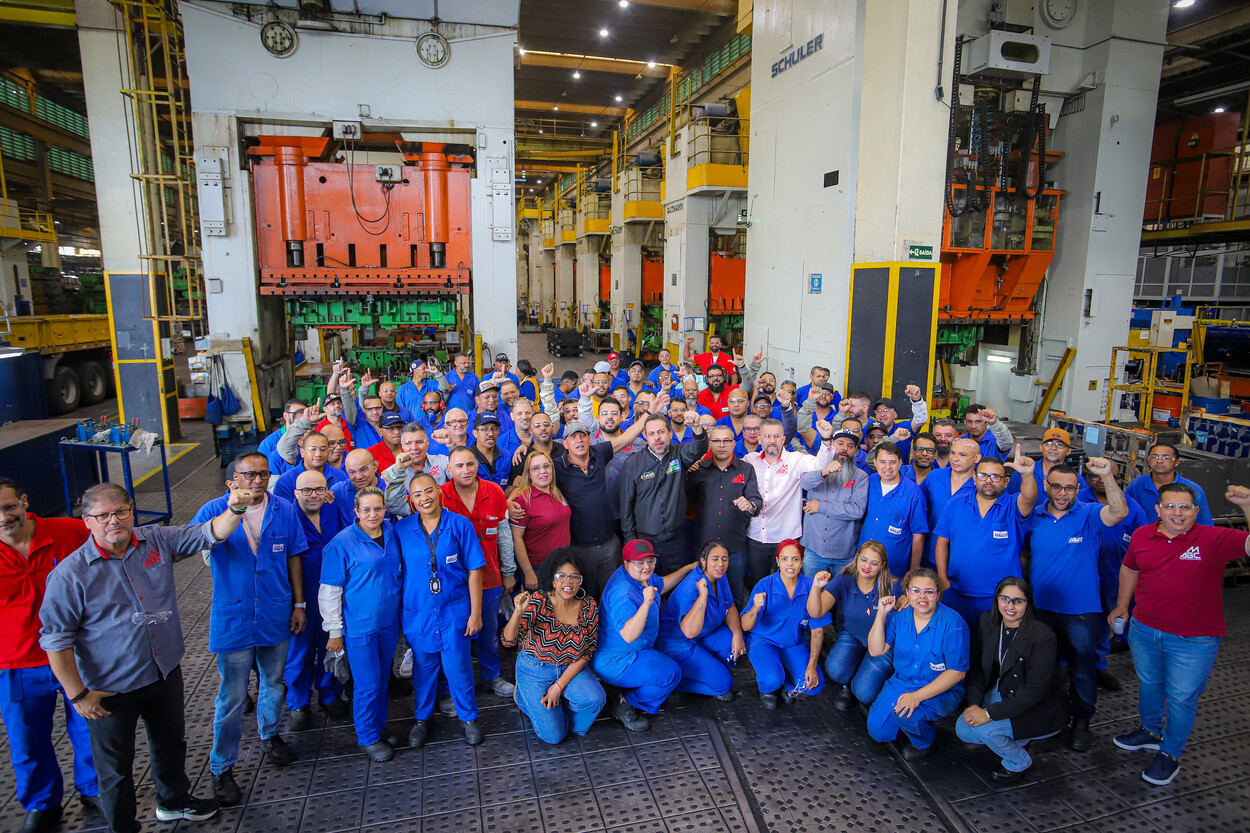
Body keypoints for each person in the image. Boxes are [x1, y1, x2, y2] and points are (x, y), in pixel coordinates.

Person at [40, 483, 252, 831]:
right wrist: (78, 695)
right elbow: (56, 642)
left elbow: (209, 533)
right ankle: (123, 826)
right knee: (116, 768)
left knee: (171, 744)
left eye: (121, 511)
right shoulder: (69, 575)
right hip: (109, 689)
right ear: (86, 521)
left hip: (163, 671)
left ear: (132, 511)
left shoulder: (156, 540)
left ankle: (174, 802)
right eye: (103, 515)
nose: (114, 521)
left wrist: (237, 508)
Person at [1107, 483, 1250, 786]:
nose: (1178, 513)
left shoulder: (1213, 538)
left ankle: (1170, 753)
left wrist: (1248, 506)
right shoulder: (1144, 535)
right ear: (1157, 510)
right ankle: (1149, 731)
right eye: (1170, 506)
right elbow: (1130, 569)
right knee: (1149, 685)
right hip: (1145, 631)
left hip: (1193, 640)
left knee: (1182, 697)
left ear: (1196, 511)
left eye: (1185, 507)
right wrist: (1122, 605)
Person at [190, 452, 309, 806]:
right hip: (235, 615)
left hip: (275, 610)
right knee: (232, 696)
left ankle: (270, 733)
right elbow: (197, 544)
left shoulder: (284, 509)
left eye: (262, 474)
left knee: (273, 681)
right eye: (247, 475)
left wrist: (299, 604)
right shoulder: (214, 510)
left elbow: (293, 556)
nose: (255, 481)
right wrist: (234, 512)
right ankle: (221, 766)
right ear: (232, 480)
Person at [0, 479, 96, 833]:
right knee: (26, 740)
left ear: (24, 500)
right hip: (16, 664)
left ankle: (94, 789)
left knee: (90, 727)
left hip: (79, 656)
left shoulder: (68, 533)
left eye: (9, 506)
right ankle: (42, 803)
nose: (4, 517)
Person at [1024, 458, 1129, 752]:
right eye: (1056, 486)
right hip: (1042, 609)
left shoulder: (1089, 514)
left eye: (1069, 488)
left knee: (1082, 670)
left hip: (1081, 612)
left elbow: (1120, 511)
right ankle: (1047, 719)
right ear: (1046, 486)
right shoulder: (1034, 515)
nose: (1062, 493)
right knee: (1044, 668)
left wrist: (1107, 475)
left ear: (1077, 489)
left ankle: (1082, 723)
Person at [395, 473, 487, 747]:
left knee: (459, 668)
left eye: (429, 491)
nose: (425, 498)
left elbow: (474, 571)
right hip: (418, 613)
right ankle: (422, 719)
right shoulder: (401, 531)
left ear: (440, 493)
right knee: (423, 670)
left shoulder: (460, 525)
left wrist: (476, 613)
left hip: (454, 611)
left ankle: (468, 718)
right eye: (418, 494)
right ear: (411, 501)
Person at [318, 487, 403, 761]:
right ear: (356, 512)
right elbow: (330, 590)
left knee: (381, 679)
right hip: (359, 627)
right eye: (366, 509)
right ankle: (367, 736)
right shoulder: (341, 543)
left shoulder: (391, 532)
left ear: (385, 509)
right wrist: (333, 630)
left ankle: (378, 726)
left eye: (378, 509)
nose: (372, 514)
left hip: (388, 623)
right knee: (366, 684)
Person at [957, 577, 1068, 782]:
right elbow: (979, 671)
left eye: (1018, 601)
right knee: (963, 728)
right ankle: (1017, 737)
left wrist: (989, 714)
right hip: (1005, 689)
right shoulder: (987, 622)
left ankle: (1019, 762)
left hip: (1039, 704)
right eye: (1005, 598)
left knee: (987, 731)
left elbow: (1033, 690)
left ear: (1028, 603)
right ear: (997, 599)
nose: (1010, 606)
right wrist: (974, 704)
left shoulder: (1043, 636)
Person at [501, 551, 605, 744]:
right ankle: (524, 697)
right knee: (554, 737)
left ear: (581, 582)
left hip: (568, 667)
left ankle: (559, 715)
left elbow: (587, 652)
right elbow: (508, 641)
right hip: (535, 671)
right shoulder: (539, 602)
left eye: (575, 577)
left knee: (594, 700)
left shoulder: (588, 606)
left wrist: (558, 687)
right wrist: (518, 612)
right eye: (561, 576)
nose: (568, 581)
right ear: (553, 580)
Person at [866, 568, 969, 760]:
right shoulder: (900, 617)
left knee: (908, 716)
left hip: (939, 687)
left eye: (929, 592)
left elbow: (957, 673)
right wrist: (881, 615)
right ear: (906, 593)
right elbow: (875, 650)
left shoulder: (953, 622)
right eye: (915, 591)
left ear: (938, 595)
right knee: (878, 732)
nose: (922, 596)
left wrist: (917, 696)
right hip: (903, 682)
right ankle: (909, 722)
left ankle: (924, 741)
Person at [593, 540, 697, 731]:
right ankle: (626, 704)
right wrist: (646, 604)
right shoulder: (622, 593)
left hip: (641, 648)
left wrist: (689, 568)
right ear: (626, 564)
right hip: (618, 660)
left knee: (672, 668)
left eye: (650, 560)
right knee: (672, 674)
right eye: (639, 562)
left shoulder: (639, 576)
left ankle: (647, 688)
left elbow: (662, 584)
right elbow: (628, 635)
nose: (646, 567)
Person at [441, 446, 517, 699]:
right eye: (459, 466)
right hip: (453, 582)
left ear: (477, 466)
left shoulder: (493, 491)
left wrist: (508, 571)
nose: (466, 470)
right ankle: (457, 687)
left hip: (490, 576)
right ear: (449, 469)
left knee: (488, 633)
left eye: (470, 464)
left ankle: (491, 675)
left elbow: (504, 534)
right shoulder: (440, 496)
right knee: (455, 637)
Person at [934, 449, 1036, 628]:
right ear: (974, 478)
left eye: (995, 476)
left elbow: (1029, 497)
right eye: (983, 475)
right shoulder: (956, 504)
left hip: (1000, 599)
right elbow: (942, 542)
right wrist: (943, 581)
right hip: (958, 593)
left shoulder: (1013, 506)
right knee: (960, 647)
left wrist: (1027, 476)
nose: (988, 480)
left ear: (1006, 482)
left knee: (992, 651)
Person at [284, 472, 348, 732]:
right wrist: (296, 603)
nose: (313, 495)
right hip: (301, 596)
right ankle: (298, 703)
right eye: (307, 490)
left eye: (319, 490)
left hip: (334, 594)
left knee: (331, 645)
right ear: (296, 493)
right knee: (298, 651)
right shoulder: (287, 517)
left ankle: (329, 694)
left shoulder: (333, 509)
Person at [742, 417, 835, 594]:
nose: (771, 440)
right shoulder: (749, 460)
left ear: (784, 439)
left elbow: (820, 464)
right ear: (760, 439)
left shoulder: (796, 460)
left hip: (787, 538)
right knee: (758, 585)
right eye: (767, 436)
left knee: (788, 587)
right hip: (756, 536)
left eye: (776, 436)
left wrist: (825, 439)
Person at [806, 542, 901, 712]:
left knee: (864, 692)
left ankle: (877, 680)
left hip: (882, 646)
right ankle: (848, 683)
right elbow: (816, 612)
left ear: (882, 566)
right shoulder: (844, 581)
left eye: (874, 563)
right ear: (857, 558)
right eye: (863, 560)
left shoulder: (893, 587)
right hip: (853, 635)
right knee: (835, 670)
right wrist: (816, 588)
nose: (867, 566)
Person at [1079, 463, 1150, 690]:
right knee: (1075, 625)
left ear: (1118, 479)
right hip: (1079, 578)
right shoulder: (1077, 500)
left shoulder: (1133, 508)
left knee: (1103, 625)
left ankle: (1099, 666)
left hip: (1113, 578)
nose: (1099, 480)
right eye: (1094, 476)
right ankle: (1066, 667)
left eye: (1106, 476)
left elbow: (1144, 544)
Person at [741, 541, 830, 709]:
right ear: (777, 561)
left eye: (795, 559)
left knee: (812, 686)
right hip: (763, 641)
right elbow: (745, 625)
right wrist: (755, 607)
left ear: (802, 561)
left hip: (792, 643)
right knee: (772, 680)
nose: (790, 564)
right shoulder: (765, 585)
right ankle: (768, 688)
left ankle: (788, 682)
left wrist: (811, 665)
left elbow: (818, 630)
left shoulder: (811, 586)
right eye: (785, 559)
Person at [655, 542, 747, 700]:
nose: (721, 564)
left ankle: (709, 672)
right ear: (703, 561)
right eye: (715, 559)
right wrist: (703, 596)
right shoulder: (691, 587)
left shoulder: (720, 576)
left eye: (725, 559)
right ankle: (676, 682)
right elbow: (689, 632)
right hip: (678, 642)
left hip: (705, 634)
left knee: (734, 643)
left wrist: (738, 633)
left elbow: (729, 605)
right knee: (723, 685)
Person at [619, 413, 709, 573]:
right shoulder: (633, 463)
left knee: (675, 586)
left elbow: (699, 448)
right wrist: (631, 541)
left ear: (670, 433)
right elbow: (626, 507)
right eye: (651, 433)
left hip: (676, 540)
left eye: (661, 432)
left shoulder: (679, 454)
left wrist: (696, 428)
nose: (657, 438)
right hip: (645, 540)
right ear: (645, 436)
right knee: (650, 587)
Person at [687, 426, 761, 606]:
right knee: (702, 593)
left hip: (735, 546)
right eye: (717, 441)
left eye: (726, 441)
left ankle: (736, 632)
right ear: (710, 444)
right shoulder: (699, 469)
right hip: (704, 547)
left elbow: (756, 502)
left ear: (734, 443)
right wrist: (685, 475)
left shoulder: (746, 469)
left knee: (735, 594)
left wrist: (750, 505)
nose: (722, 445)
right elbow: (685, 500)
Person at [798, 429, 869, 576]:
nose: (845, 449)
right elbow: (805, 483)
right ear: (831, 446)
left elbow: (856, 510)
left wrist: (820, 506)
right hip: (813, 549)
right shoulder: (818, 465)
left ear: (855, 452)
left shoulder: (861, 477)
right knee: (812, 593)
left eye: (850, 446)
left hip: (844, 553)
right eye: (840, 443)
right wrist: (823, 472)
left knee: (840, 595)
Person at [858, 441, 929, 577]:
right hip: (864, 564)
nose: (887, 467)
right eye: (882, 462)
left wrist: (913, 570)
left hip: (894, 569)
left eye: (892, 462)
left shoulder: (914, 493)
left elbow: (918, 534)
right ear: (875, 462)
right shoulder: (869, 481)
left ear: (900, 462)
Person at [509, 450, 572, 590]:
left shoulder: (556, 491)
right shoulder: (523, 499)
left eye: (546, 466)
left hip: (563, 564)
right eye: (535, 468)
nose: (542, 471)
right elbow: (517, 539)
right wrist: (528, 573)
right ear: (529, 474)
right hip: (539, 568)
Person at [919, 437, 979, 568]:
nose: (955, 459)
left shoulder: (981, 486)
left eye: (962, 455)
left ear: (977, 458)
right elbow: (918, 506)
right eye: (953, 453)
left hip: (963, 559)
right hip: (930, 554)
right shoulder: (935, 476)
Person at [1124, 442, 1214, 526]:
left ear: (1176, 462)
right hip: (1144, 538)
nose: (1159, 461)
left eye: (1166, 457)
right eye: (1155, 457)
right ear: (1149, 461)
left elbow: (1205, 524)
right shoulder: (1137, 484)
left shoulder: (1192, 489)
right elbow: (1126, 514)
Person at [273, 419, 349, 501]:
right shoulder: (286, 480)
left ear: (328, 452)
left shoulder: (340, 476)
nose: (318, 454)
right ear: (302, 452)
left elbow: (347, 507)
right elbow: (281, 511)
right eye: (313, 449)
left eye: (323, 449)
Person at [330, 449, 382, 526]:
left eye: (363, 470)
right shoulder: (337, 492)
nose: (358, 477)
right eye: (352, 472)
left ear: (375, 466)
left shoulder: (390, 489)